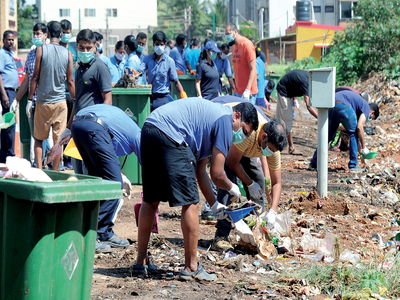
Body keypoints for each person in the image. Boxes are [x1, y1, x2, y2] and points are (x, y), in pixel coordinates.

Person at [133, 98, 259, 280]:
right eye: (244, 130)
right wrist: (234, 188)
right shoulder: (225, 120)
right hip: (170, 133)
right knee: (191, 202)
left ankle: (140, 262)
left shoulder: (208, 122)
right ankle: (192, 267)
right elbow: (217, 174)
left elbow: (201, 171)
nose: (241, 136)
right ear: (237, 116)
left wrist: (215, 204)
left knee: (151, 200)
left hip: (149, 128)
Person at [210, 96, 287, 251]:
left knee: (258, 180)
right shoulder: (249, 133)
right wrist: (249, 184)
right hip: (232, 146)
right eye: (270, 150)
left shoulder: (272, 148)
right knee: (228, 182)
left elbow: (276, 182)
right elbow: (232, 163)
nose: (270, 153)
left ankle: (256, 233)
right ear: (264, 137)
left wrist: (273, 211)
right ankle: (221, 235)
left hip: (247, 151)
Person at [70, 105, 138, 252]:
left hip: (78, 125)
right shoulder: (138, 134)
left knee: (98, 182)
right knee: (114, 185)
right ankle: (92, 234)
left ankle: (105, 233)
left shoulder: (118, 126)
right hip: (94, 127)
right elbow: (148, 163)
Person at [28, 21, 75, 170]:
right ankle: (56, 172)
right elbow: (70, 80)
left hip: (43, 102)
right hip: (60, 103)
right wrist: (75, 99)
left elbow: (35, 77)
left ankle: (40, 172)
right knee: (58, 141)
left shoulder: (41, 50)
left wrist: (30, 100)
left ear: (47, 33)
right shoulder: (68, 53)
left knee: (38, 140)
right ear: (61, 34)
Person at [309, 91, 379, 172]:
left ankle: (313, 164)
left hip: (332, 104)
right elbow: (359, 127)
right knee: (353, 134)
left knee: (328, 136)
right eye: (371, 118)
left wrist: (360, 151)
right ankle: (353, 165)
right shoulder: (366, 106)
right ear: (372, 113)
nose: (369, 119)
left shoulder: (357, 105)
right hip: (343, 106)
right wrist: (364, 147)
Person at [14, 23, 52, 166]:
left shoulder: (49, 53)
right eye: (34, 33)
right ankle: (40, 165)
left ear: (45, 35)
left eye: (39, 34)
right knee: (36, 136)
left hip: (47, 101)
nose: (36, 36)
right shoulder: (31, 54)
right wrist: (17, 100)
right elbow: (28, 79)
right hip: (34, 102)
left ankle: (48, 165)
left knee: (45, 137)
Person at [138, 31, 187, 111]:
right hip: (151, 97)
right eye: (157, 44)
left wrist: (182, 93)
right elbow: (139, 71)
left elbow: (176, 81)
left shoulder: (169, 61)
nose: (159, 46)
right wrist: (134, 75)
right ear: (153, 44)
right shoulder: (147, 59)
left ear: (164, 45)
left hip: (163, 98)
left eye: (162, 44)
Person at [276, 70, 318, 155]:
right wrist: (319, 117)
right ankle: (291, 148)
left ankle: (275, 142)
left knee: (280, 119)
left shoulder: (310, 77)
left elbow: (294, 80)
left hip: (288, 90)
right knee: (287, 120)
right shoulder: (307, 83)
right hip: (283, 91)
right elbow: (309, 106)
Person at [225, 23, 258, 102]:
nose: (227, 37)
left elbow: (253, 69)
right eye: (225, 35)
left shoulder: (247, 45)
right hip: (237, 91)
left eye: (228, 34)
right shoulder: (233, 47)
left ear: (235, 32)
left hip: (248, 93)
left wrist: (247, 90)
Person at [60, 19, 77, 170]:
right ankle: (62, 159)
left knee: (70, 128)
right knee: (61, 128)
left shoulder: (73, 50)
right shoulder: (57, 50)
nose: (65, 35)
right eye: (63, 33)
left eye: (67, 32)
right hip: (60, 94)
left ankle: (70, 157)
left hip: (71, 94)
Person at [0, 30, 19, 163]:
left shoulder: (10, 53)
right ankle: (9, 154)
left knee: (7, 123)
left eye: (12, 39)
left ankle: (5, 154)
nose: (11, 42)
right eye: (8, 39)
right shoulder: (2, 53)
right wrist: (4, 95)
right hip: (6, 91)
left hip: (12, 91)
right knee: (10, 123)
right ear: (3, 40)